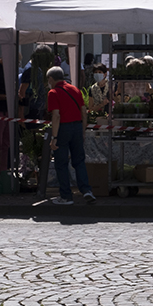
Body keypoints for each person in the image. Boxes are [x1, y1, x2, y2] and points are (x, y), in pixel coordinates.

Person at [46, 66, 94, 206]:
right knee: (79, 160)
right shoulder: (75, 89)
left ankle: (66, 196)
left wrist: (54, 137)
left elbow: (56, 116)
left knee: (61, 163)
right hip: (77, 127)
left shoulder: (53, 93)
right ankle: (86, 190)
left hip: (63, 129)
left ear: (51, 79)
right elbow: (84, 112)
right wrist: (83, 130)